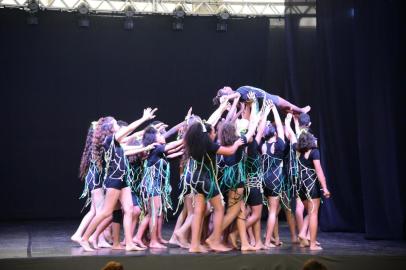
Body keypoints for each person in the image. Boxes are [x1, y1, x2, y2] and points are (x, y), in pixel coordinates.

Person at [79, 108, 158, 252]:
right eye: (115, 123)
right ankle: (85, 238)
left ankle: (129, 243)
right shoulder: (109, 140)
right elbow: (130, 129)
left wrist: (145, 146)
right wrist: (144, 118)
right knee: (106, 212)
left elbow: (127, 149)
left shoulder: (116, 143)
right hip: (114, 179)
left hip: (123, 180)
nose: (118, 125)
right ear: (109, 127)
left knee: (129, 209)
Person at [184, 121, 244, 252]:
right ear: (208, 133)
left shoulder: (195, 144)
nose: (215, 133)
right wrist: (237, 144)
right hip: (205, 180)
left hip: (195, 178)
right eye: (213, 131)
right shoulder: (208, 145)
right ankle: (215, 241)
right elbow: (230, 151)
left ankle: (194, 245)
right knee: (219, 208)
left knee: (198, 212)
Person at [285, 113, 330, 250]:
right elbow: (319, 170)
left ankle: (304, 233)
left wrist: (288, 121)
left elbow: (291, 134)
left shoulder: (295, 146)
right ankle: (312, 243)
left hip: (300, 185)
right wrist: (325, 188)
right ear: (309, 125)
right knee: (313, 213)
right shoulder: (314, 151)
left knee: (309, 212)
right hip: (310, 185)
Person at [213, 86, 310, 114]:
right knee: (288, 105)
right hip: (268, 98)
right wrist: (227, 98)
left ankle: (297, 113)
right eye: (224, 89)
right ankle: (302, 110)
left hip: (266, 100)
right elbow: (236, 95)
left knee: (287, 110)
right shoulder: (238, 92)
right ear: (228, 94)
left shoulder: (240, 100)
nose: (225, 86)